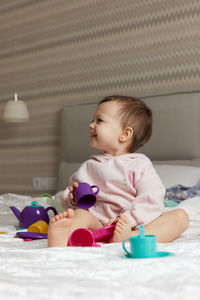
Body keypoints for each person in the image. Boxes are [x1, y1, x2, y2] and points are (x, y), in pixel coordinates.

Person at [48, 95, 189, 247]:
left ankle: (131, 238)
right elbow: (73, 200)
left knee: (180, 217)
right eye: (92, 120)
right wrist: (72, 200)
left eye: (99, 121)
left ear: (125, 134)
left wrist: (128, 220)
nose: (91, 125)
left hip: (131, 225)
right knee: (80, 215)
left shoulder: (139, 164)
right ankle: (64, 239)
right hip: (98, 224)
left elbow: (151, 198)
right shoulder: (89, 166)